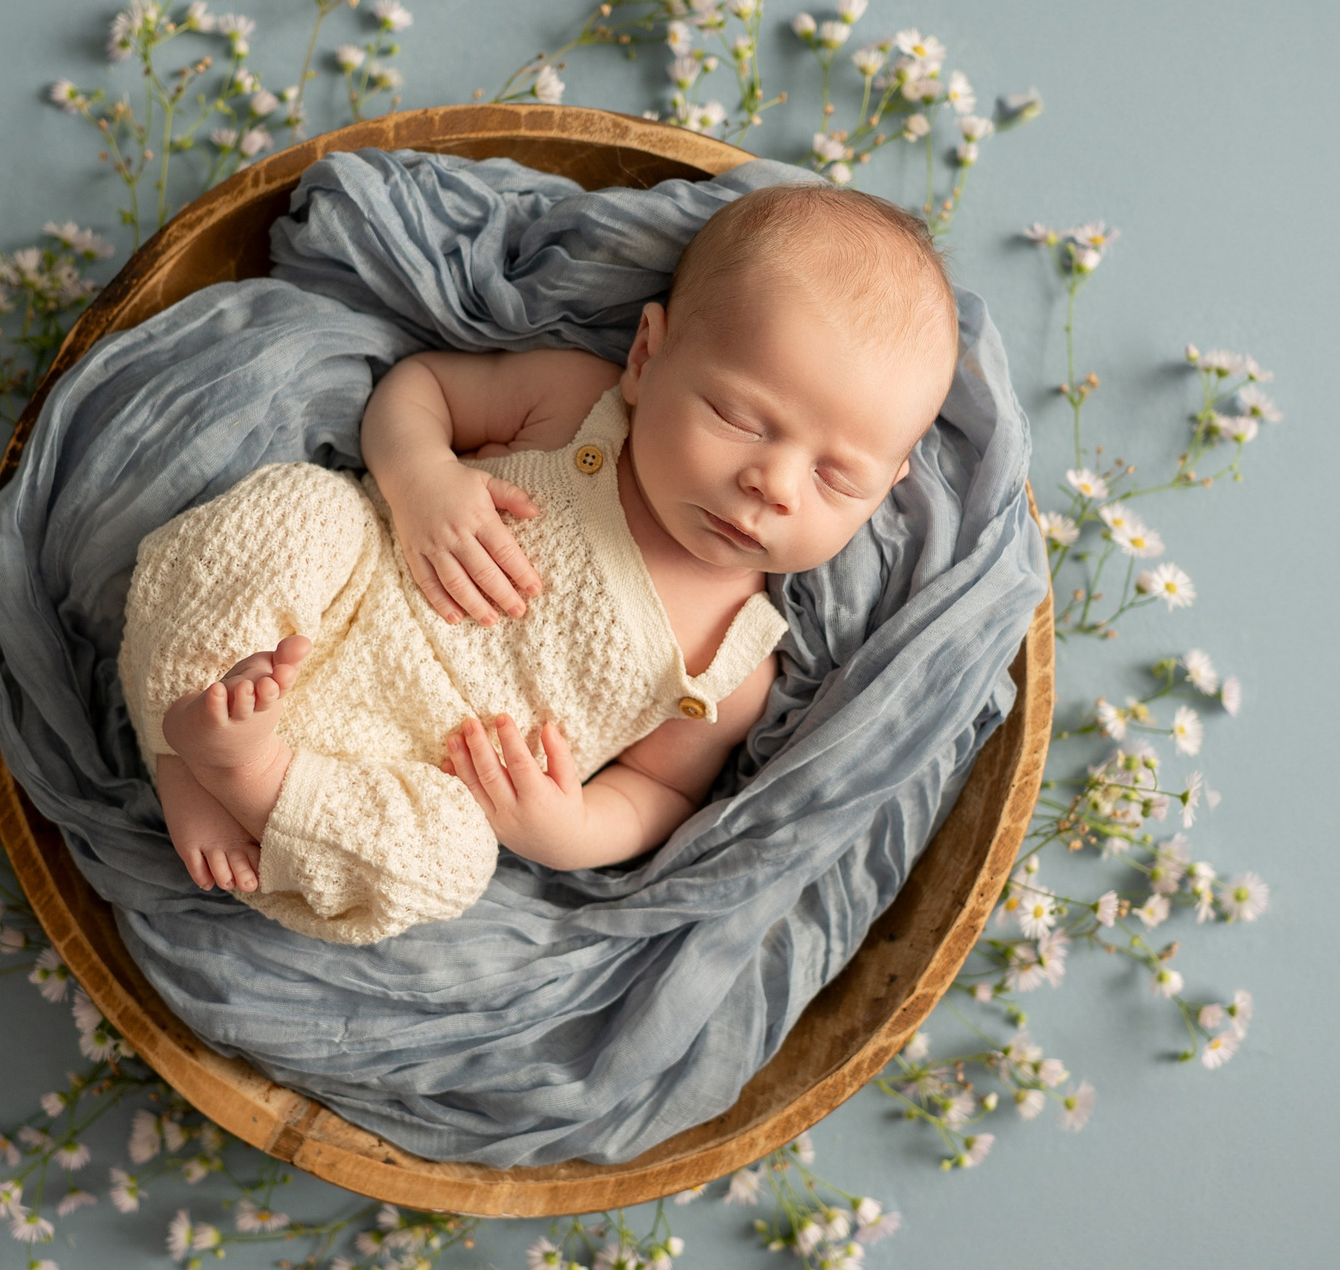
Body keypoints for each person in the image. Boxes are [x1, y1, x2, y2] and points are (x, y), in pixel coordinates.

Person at [116, 182, 960, 944]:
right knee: (300, 511)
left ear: (886, 491)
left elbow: (657, 796)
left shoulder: (734, 662)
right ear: (645, 359)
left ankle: (251, 779)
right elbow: (423, 391)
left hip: (404, 769)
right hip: (338, 608)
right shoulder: (571, 407)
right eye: (740, 418)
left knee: (452, 860)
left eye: (834, 478)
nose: (772, 485)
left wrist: (567, 829)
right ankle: (175, 731)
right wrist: (422, 481)